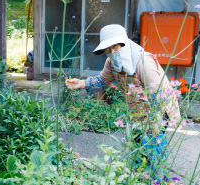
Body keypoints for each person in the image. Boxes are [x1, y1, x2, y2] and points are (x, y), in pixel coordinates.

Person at [65, 24, 182, 159]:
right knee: (138, 146)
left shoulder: (143, 62)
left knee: (152, 146)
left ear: (124, 43)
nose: (113, 51)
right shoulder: (111, 62)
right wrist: (82, 83)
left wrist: (155, 122)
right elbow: (103, 80)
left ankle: (157, 176)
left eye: (115, 46)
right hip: (139, 110)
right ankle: (141, 174)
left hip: (158, 108)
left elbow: (159, 95)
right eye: (108, 49)